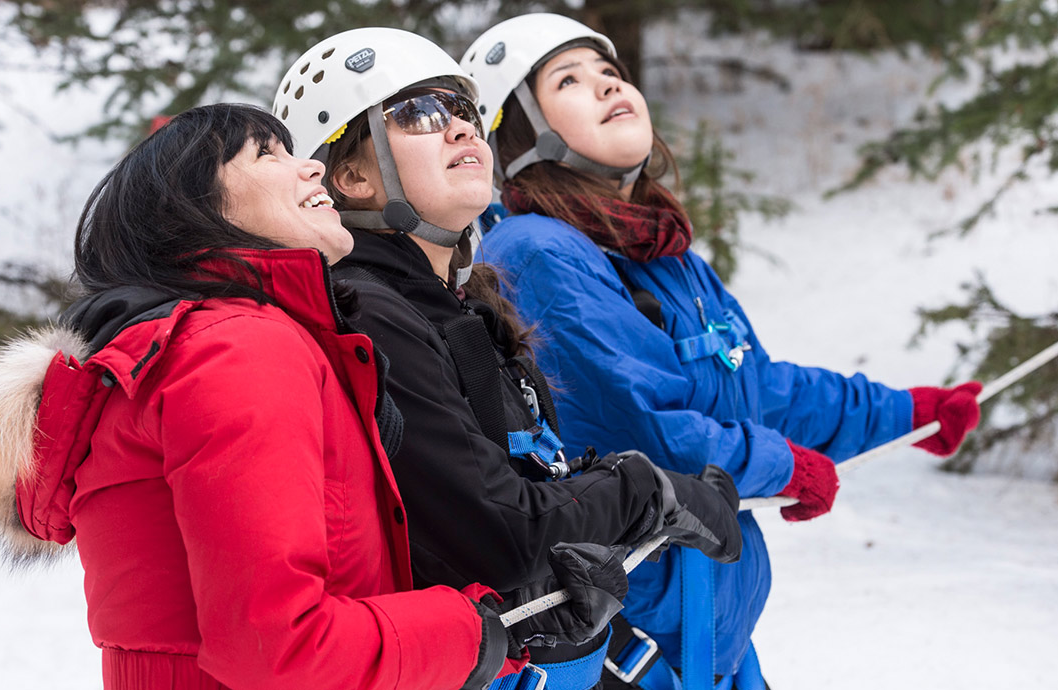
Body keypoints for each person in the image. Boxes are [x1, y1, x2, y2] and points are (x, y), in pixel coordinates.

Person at [0, 103, 637, 690]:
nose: (310, 166)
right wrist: (489, 631)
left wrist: (506, 617)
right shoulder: (237, 352)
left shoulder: (184, 355)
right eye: (269, 153)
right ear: (198, 211)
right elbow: (280, 645)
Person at [461, 13, 983, 690]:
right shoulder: (536, 253)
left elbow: (760, 390)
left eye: (611, 73)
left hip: (707, 629)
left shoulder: (663, 256)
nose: (608, 87)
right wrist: (779, 464)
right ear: (521, 133)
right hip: (622, 639)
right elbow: (643, 432)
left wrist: (908, 412)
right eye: (569, 79)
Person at [273, 28, 745, 690]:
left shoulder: (457, 311)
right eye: (420, 114)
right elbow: (499, 532)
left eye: (463, 111)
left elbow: (512, 492)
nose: (459, 128)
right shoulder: (371, 318)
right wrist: (649, 492)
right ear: (351, 176)